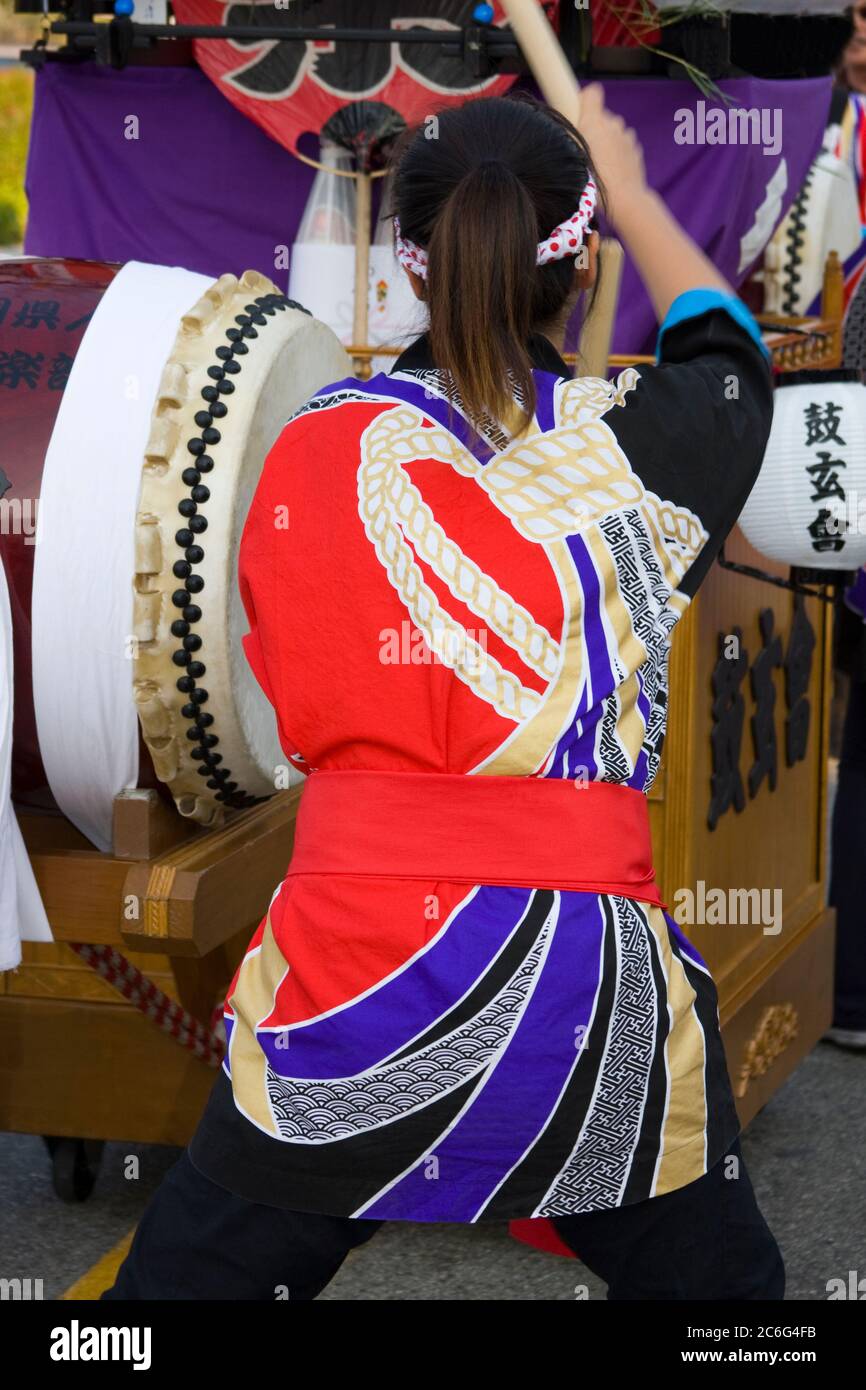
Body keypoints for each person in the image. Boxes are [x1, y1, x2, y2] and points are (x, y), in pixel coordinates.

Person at [104, 86, 784, 1301]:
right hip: (588, 995)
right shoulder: (638, 447)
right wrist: (631, 195)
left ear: (408, 265)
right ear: (574, 269)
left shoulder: (308, 442)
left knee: (162, 1311)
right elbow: (729, 353)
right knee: (724, 1307)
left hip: (347, 979)